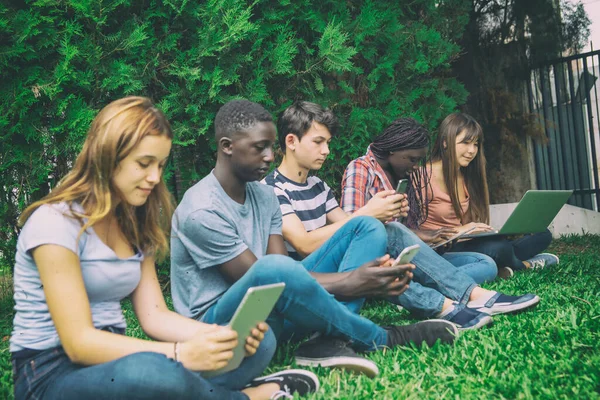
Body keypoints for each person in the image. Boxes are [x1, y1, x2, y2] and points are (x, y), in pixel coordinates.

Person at [10, 96, 318, 400]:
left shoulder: (134, 224)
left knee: (256, 342)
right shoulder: (54, 223)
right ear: (107, 156)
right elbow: (78, 342)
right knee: (152, 372)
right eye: (144, 164)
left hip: (109, 365)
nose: (155, 178)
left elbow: (154, 315)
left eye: (160, 164)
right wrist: (181, 355)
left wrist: (215, 337)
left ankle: (196, 390)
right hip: (49, 375)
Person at [170, 99, 458, 379]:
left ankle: (328, 340)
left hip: (273, 307)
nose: (270, 156)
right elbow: (264, 281)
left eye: (271, 146)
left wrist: (359, 272)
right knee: (270, 270)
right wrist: (350, 281)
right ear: (227, 147)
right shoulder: (202, 208)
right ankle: (378, 337)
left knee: (367, 227)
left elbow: (283, 273)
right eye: (260, 148)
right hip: (222, 322)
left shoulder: (264, 195)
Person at [265, 101, 540, 334]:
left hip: (336, 270)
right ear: (291, 141)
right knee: (376, 227)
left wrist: (380, 216)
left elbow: (349, 226)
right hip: (305, 278)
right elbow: (303, 244)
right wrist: (368, 213)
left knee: (387, 231)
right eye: (318, 142)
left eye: (327, 142)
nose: (326, 150)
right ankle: (451, 302)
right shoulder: (272, 189)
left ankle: (469, 297)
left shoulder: (317, 186)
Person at [340, 117, 500, 283]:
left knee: (486, 264)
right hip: (377, 262)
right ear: (393, 150)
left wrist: (426, 236)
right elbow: (351, 229)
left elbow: (403, 231)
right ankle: (419, 285)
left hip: (407, 256)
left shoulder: (399, 175)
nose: (416, 167)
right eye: (412, 159)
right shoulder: (361, 169)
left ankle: (419, 284)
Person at [421, 112, 559, 275]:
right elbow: (409, 231)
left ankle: (505, 262)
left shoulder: (465, 175)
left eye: (476, 144)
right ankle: (525, 265)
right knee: (500, 248)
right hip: (441, 250)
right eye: (465, 143)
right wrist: (461, 230)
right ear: (445, 142)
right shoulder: (424, 177)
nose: (472, 151)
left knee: (542, 234)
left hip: (467, 243)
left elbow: (465, 224)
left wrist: (484, 232)